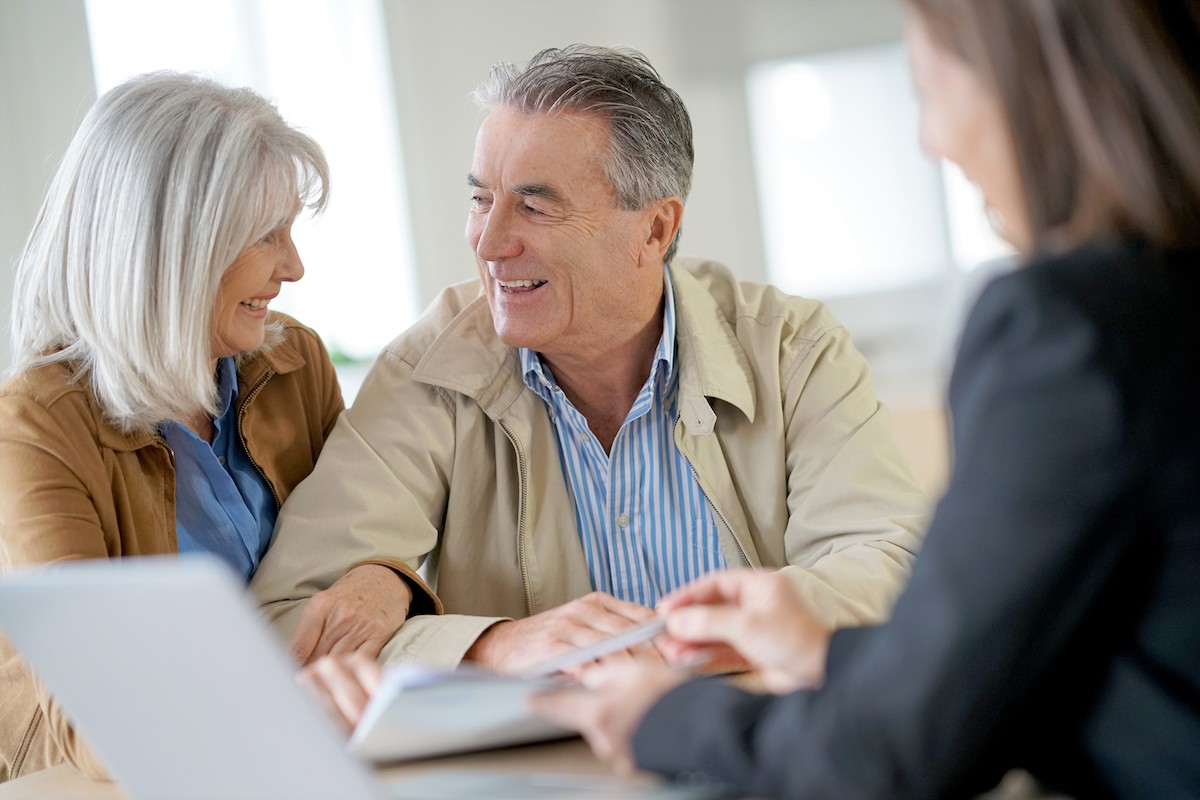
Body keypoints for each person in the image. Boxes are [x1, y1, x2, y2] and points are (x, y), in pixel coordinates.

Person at [529, 2, 1200, 798]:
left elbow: (896, 754)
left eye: (928, 91)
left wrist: (668, 719)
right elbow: (1077, 664)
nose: (930, 139)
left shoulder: (1063, 331)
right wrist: (838, 652)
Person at [252, 43, 927, 718]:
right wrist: (492, 647)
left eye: (534, 208)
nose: (489, 242)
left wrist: (698, 640)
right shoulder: (430, 369)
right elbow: (287, 621)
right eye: (481, 199)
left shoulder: (792, 349)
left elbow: (892, 562)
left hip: (761, 746)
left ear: (655, 229)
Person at [0, 72, 371, 782]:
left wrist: (379, 588)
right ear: (169, 246)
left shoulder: (296, 363)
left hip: (307, 760)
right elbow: (89, 708)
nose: (294, 266)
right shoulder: (34, 426)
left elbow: (365, 548)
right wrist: (277, 716)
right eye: (266, 235)